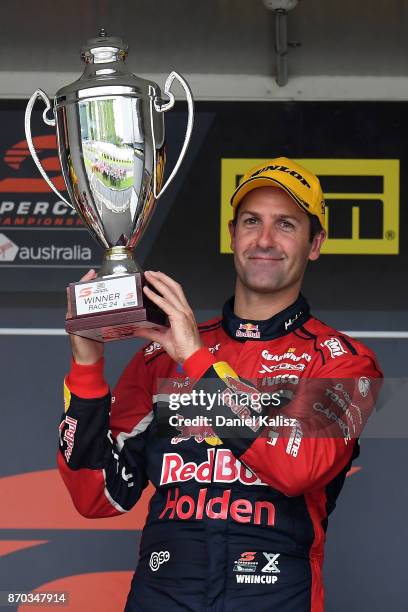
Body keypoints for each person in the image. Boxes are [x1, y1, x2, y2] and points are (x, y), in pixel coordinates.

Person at [59, 157, 382, 612]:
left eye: (286, 224)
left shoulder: (343, 363)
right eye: (252, 221)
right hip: (161, 598)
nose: (265, 239)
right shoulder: (159, 357)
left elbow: (299, 468)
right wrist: (88, 369)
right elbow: (99, 496)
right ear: (233, 234)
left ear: (316, 244)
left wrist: (196, 361)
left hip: (276, 599)